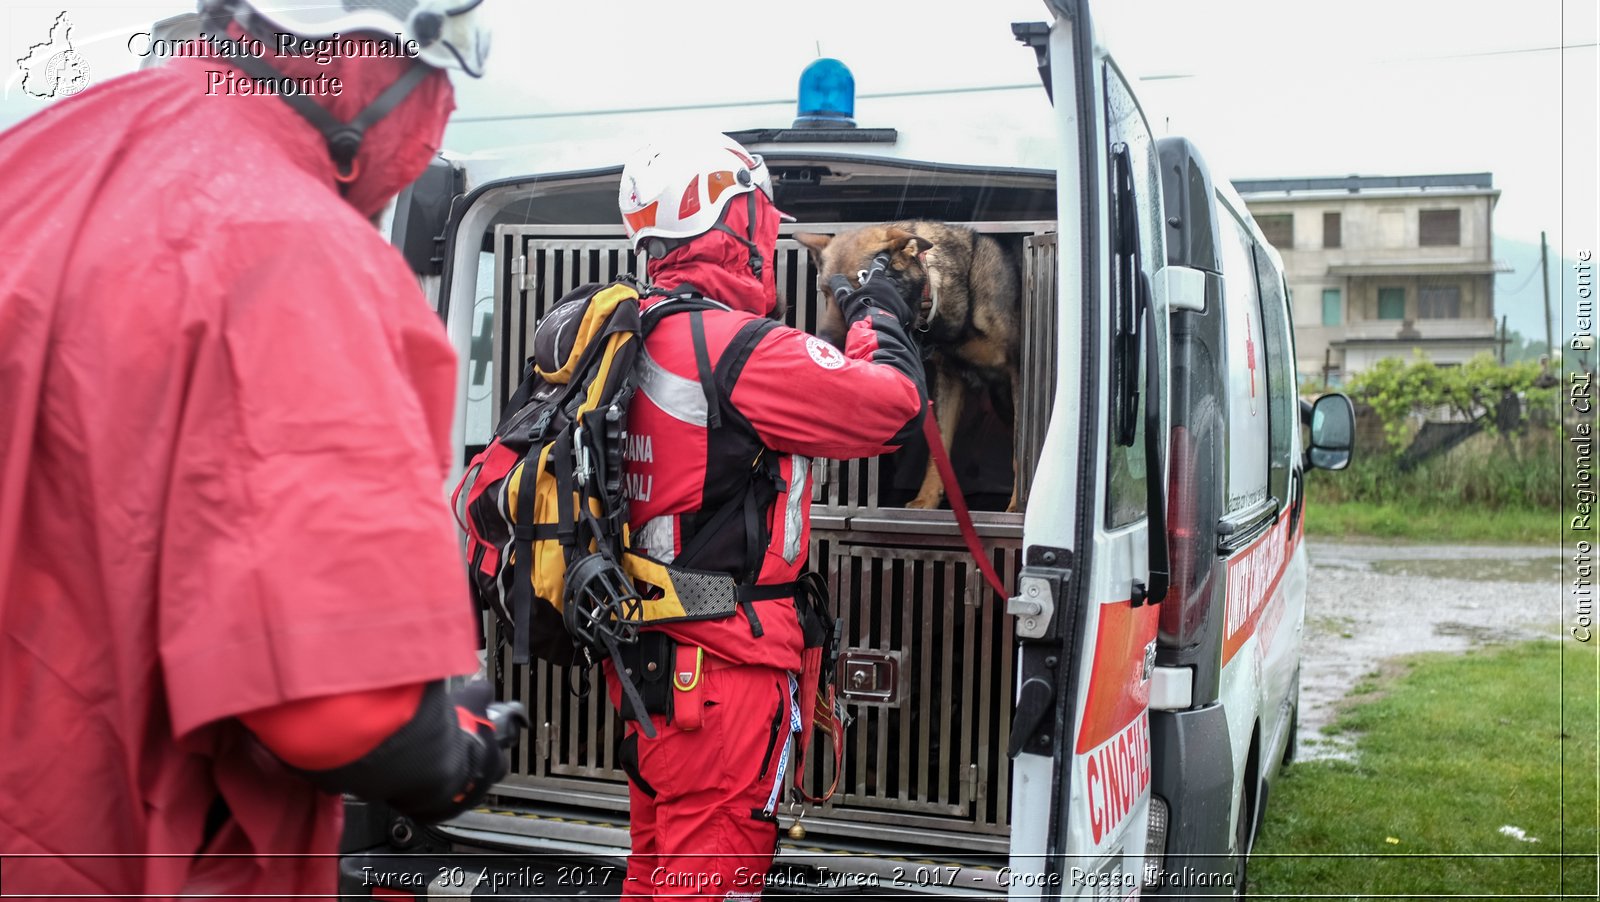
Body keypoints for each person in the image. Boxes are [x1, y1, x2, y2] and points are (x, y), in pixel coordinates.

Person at [0, 2, 522, 898]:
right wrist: (449, 748)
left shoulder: (35, 161)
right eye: (448, 67)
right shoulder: (293, 249)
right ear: (368, 58)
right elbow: (340, 713)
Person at [611, 132, 928, 900]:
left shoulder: (628, 327)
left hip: (654, 667)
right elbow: (889, 408)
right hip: (722, 678)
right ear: (736, 220)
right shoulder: (735, 345)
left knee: (656, 874)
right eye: (761, 213)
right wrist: (874, 309)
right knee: (709, 878)